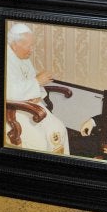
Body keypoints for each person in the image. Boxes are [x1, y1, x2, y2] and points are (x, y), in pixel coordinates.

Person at [5, 23, 69, 155]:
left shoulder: (23, 58)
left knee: (59, 128)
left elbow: (33, 82)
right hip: (12, 111)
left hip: (32, 105)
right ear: (15, 45)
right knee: (39, 142)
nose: (32, 49)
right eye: (29, 46)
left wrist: (38, 93)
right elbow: (9, 92)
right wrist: (37, 81)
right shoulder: (3, 59)